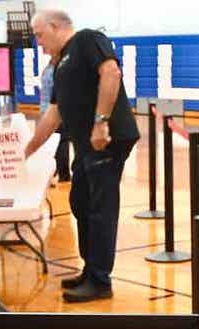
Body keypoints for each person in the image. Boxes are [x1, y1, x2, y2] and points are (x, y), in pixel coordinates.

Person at [26, 9, 139, 303]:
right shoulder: (61, 64)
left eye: (39, 34)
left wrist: (101, 122)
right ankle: (91, 271)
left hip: (106, 140)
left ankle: (100, 281)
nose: (38, 42)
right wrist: (25, 152)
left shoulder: (88, 40)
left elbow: (111, 72)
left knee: (100, 209)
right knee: (80, 203)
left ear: (54, 26)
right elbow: (54, 114)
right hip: (85, 147)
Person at [39, 54, 72, 182]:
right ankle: (63, 174)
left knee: (52, 143)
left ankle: (54, 172)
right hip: (57, 112)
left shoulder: (46, 71)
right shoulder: (58, 72)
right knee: (62, 142)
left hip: (45, 111)